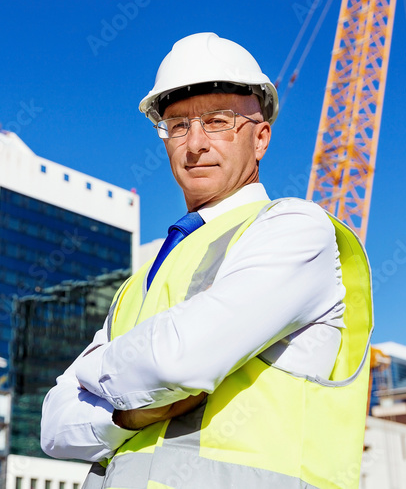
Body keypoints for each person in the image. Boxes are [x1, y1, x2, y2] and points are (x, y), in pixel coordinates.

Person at [41, 32, 373, 489]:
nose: (194, 143)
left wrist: (91, 380)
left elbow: (177, 362)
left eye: (217, 121)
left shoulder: (295, 228)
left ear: (260, 138)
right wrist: (126, 414)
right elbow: (54, 428)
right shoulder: (139, 283)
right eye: (178, 125)